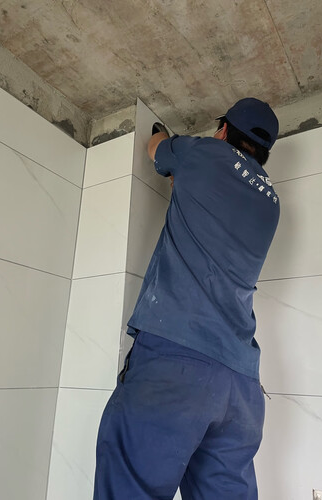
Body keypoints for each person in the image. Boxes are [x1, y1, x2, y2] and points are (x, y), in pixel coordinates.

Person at [94, 97, 281, 500]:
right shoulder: (271, 202)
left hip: (177, 359)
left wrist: (162, 134)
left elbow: (156, 149)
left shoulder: (204, 153)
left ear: (224, 130)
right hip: (240, 385)